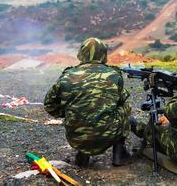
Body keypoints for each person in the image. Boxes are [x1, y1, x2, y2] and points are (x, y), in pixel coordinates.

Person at [44, 38, 132, 167]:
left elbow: (49, 104)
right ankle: (119, 154)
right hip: (107, 135)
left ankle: (83, 154)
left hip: (76, 137)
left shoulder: (67, 75)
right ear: (103, 54)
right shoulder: (114, 75)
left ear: (81, 54)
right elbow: (121, 100)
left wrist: (68, 113)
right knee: (125, 108)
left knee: (79, 110)